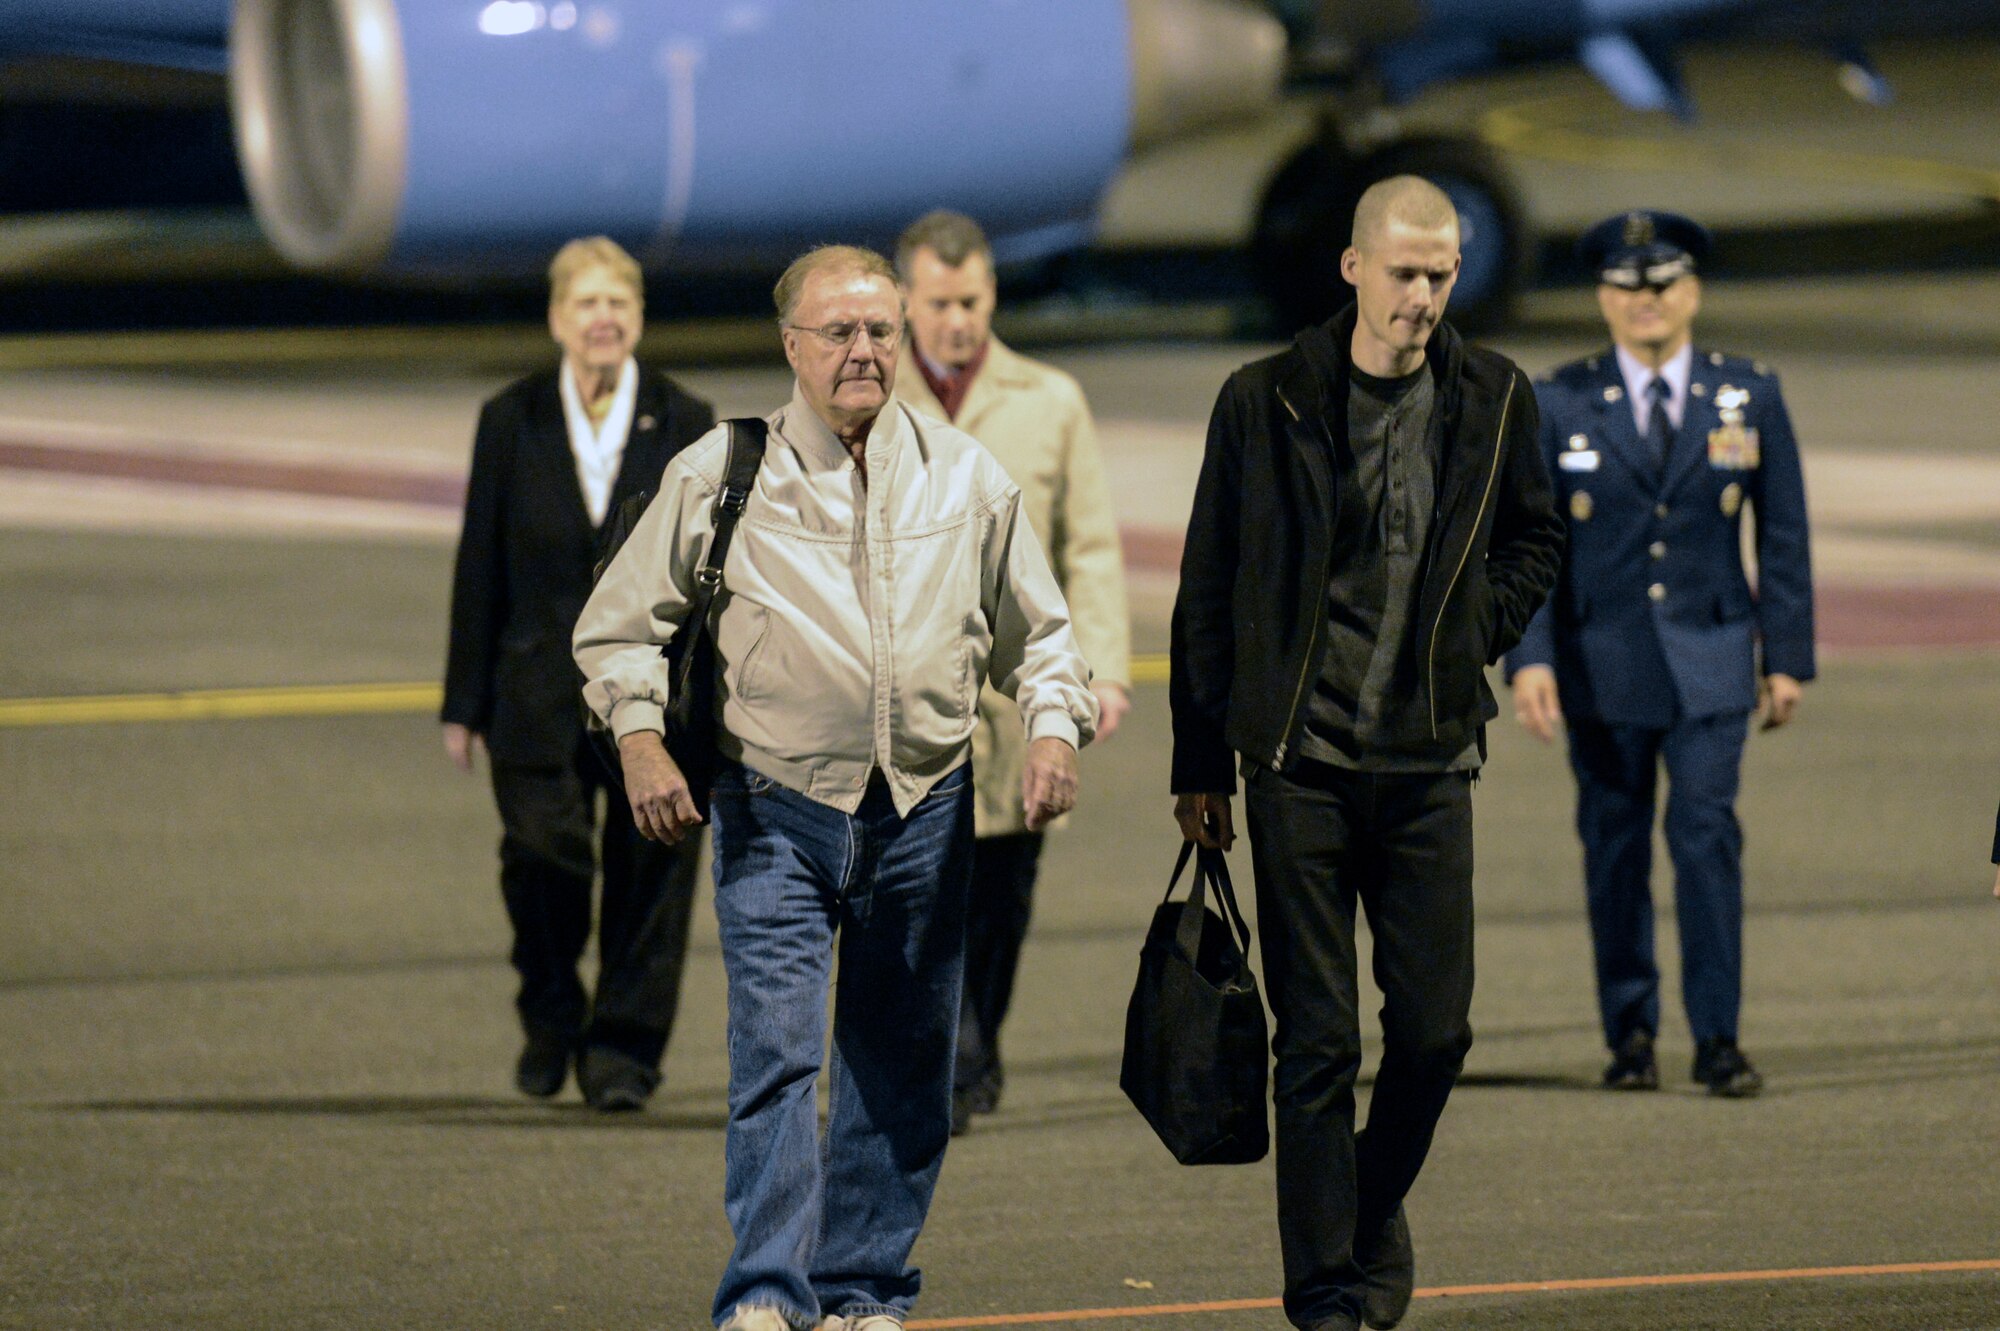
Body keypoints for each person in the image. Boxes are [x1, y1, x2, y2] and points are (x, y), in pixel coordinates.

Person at [574, 245, 1098, 1331]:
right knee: (775, 1053)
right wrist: (638, 736)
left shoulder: (966, 475)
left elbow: (1043, 638)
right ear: (791, 346)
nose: (863, 351)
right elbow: (621, 623)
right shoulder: (722, 470)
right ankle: (765, 1292)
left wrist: (1053, 728)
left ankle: (861, 1288)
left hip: (927, 810)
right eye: (838, 333)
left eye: (879, 331)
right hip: (774, 810)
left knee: (900, 1063)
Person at [1170, 177, 1562, 1331]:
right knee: (1320, 1042)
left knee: (1436, 1030)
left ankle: (1364, 1200)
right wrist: (1201, 761)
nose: (1424, 296)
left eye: (1441, 274)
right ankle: (1324, 1288)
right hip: (1299, 764)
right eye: (1403, 272)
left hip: (1431, 759)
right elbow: (1208, 584)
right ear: (1351, 268)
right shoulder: (1263, 400)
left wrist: (1472, 631)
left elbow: (1536, 536)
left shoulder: (1493, 396)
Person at [1505, 210, 1815, 1099]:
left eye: (1665, 283)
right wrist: (1531, 657)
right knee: (1613, 847)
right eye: (1629, 286)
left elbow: (1784, 533)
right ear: (1603, 296)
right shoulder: (1559, 400)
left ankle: (1718, 1035)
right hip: (1602, 663)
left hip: (1715, 654)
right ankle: (1631, 1032)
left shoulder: (1747, 394)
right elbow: (1529, 543)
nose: (1648, 301)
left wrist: (1785, 653)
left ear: (1693, 291)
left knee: (1705, 835)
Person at [441, 237, 714, 1111]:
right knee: (542, 856)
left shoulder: (684, 418)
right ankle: (552, 1009)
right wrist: (463, 700)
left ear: (637, 317)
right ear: (557, 317)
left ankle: (623, 1055)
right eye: (587, 303)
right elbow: (478, 562)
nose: (604, 318)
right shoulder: (511, 417)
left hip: (657, 701)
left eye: (619, 303)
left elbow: (710, 571)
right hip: (534, 693)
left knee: (652, 877)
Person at [892, 210, 1133, 1135]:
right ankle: (946, 1054)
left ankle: (979, 1030)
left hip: (1023, 696)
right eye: (941, 303)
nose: (958, 320)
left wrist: (1102, 670)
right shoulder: (871, 396)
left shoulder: (1050, 399)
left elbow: (1091, 545)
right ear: (909, 300)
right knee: (923, 885)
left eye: (973, 301)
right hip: (914, 696)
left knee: (1004, 886)